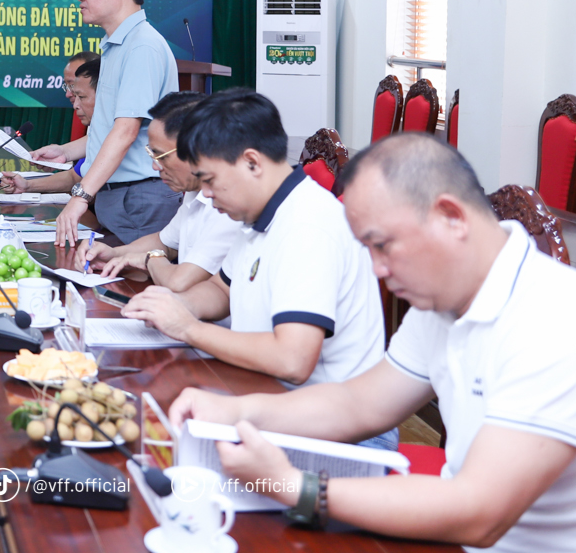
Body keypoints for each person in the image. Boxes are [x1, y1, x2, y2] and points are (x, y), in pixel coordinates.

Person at [170, 134, 576, 548]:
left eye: (383, 245)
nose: (378, 270)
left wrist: (295, 486)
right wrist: (232, 410)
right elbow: (358, 404)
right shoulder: (441, 299)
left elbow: (480, 513)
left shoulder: (553, 318)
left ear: (451, 216)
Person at [121, 90, 389, 445]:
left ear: (252, 162)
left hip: (335, 432)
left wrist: (188, 329)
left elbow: (292, 360)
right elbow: (220, 290)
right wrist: (170, 306)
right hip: (268, 399)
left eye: (211, 180)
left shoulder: (309, 226)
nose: (207, 194)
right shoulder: (259, 215)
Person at [50, 0, 179, 246]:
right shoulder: (115, 45)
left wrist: (80, 196)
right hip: (122, 198)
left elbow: (125, 131)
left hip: (140, 198)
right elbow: (108, 127)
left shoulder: (141, 46)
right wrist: (66, 152)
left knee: (135, 288)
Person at [77, 91, 242, 292]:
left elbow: (180, 282)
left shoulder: (230, 205)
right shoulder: (194, 190)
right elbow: (166, 242)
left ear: (197, 148)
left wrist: (149, 260)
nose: (155, 167)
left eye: (161, 156)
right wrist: (113, 253)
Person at [1, 54, 99, 195]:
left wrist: (79, 201)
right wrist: (27, 186)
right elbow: (75, 177)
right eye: (68, 86)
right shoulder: (96, 134)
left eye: (81, 95)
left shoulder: (123, 132)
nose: (75, 103)